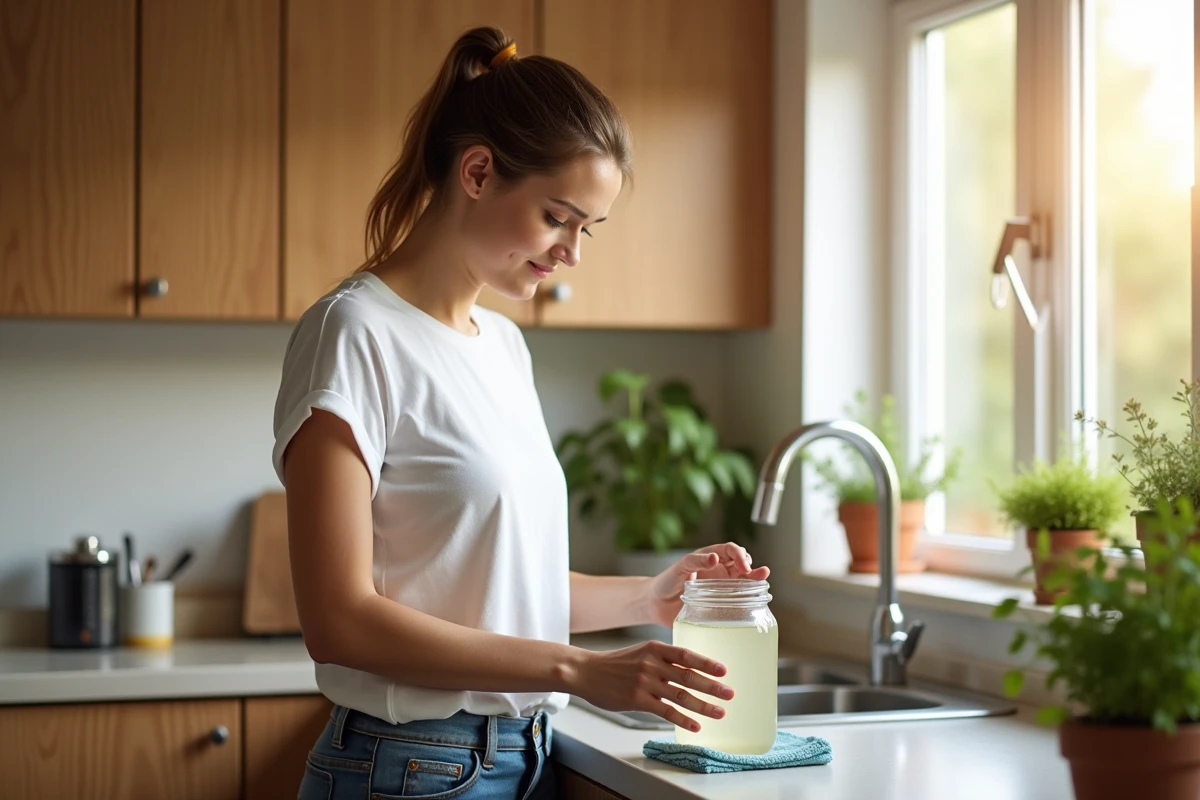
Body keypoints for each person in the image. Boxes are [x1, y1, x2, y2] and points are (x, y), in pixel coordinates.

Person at [272, 26, 770, 800]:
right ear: (477, 171)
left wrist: (647, 596)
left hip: (523, 760)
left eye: (587, 228)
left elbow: (499, 588)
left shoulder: (502, 344)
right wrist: (576, 667)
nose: (573, 251)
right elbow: (339, 621)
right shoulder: (353, 332)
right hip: (408, 768)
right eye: (558, 217)